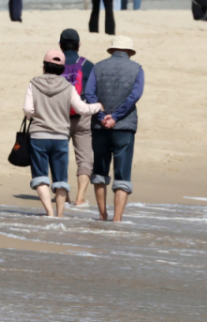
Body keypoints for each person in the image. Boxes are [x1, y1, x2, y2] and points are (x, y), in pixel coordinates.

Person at [22, 50, 104, 218]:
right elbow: (82, 109)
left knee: (40, 177)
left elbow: (28, 109)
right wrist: (98, 106)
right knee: (60, 179)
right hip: (60, 137)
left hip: (39, 136)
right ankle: (60, 215)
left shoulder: (34, 83)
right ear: (61, 69)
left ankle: (49, 212)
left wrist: (34, 116)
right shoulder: (68, 87)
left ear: (44, 67)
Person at [83, 36, 143, 223]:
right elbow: (135, 95)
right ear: (129, 52)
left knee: (100, 171)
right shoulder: (137, 69)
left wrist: (102, 116)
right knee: (122, 174)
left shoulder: (98, 67)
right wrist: (116, 117)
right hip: (124, 126)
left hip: (99, 126)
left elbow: (89, 93)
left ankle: (103, 215)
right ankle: (117, 219)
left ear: (112, 50)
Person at [59, 28, 97, 206]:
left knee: (60, 156)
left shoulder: (54, 63)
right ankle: (80, 198)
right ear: (79, 45)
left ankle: (63, 197)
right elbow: (92, 93)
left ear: (60, 45)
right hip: (83, 116)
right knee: (85, 158)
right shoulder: (88, 65)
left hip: (59, 116)